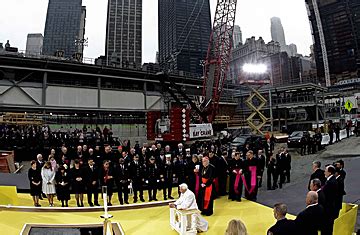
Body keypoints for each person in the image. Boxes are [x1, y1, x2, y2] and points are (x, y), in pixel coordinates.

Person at [322, 165, 338, 235]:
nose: (324, 172)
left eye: (325, 171)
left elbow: (327, 196)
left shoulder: (331, 182)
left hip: (328, 209)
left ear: (330, 172)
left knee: (327, 228)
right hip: (330, 208)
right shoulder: (331, 180)